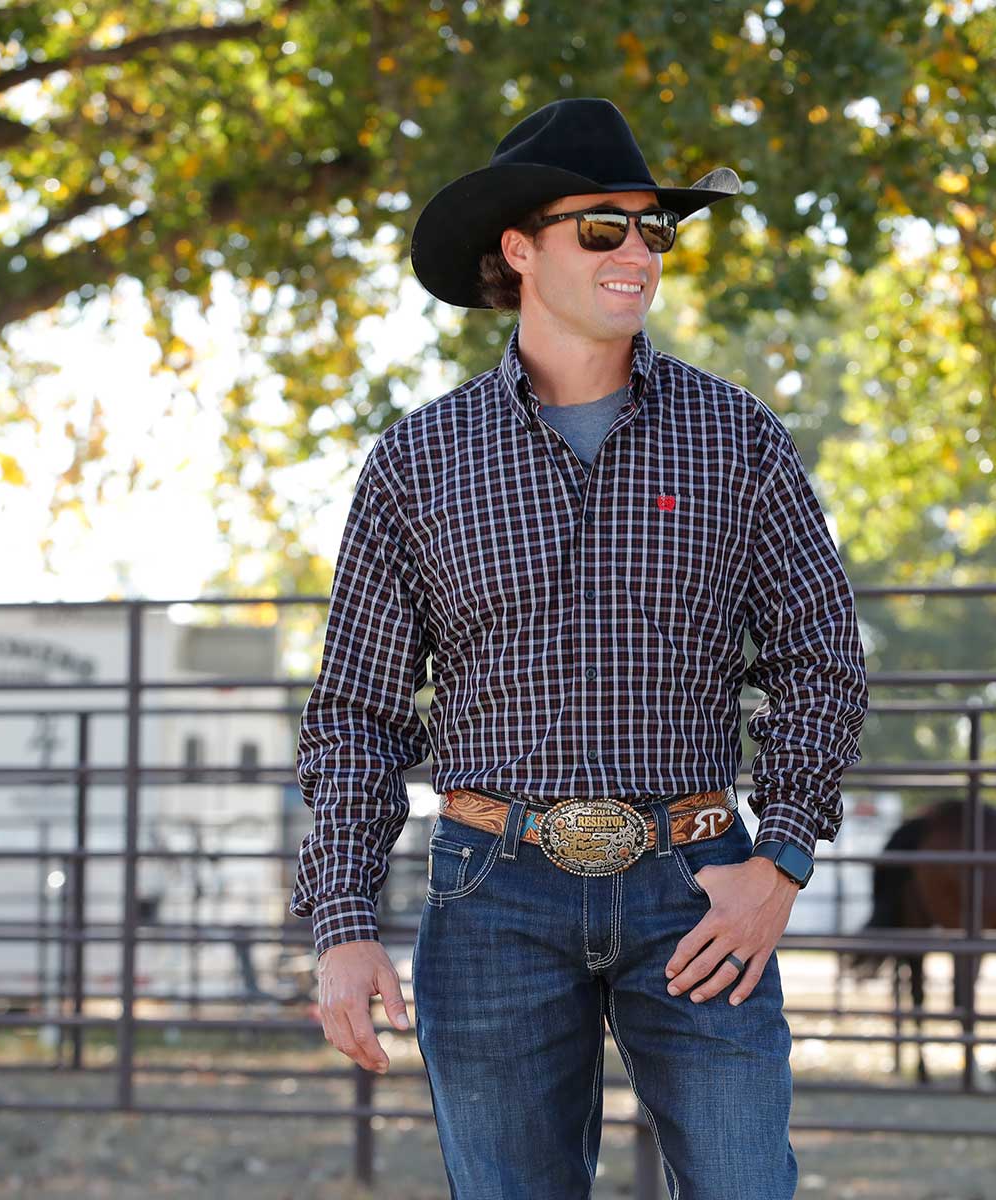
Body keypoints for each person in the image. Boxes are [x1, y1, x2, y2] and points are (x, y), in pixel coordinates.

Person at [287, 96, 871, 1199]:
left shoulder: (736, 437)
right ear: (521, 249)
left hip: (700, 885)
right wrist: (344, 924)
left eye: (654, 229)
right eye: (603, 228)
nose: (637, 251)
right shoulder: (419, 464)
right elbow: (359, 714)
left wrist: (780, 864)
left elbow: (822, 661)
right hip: (490, 893)